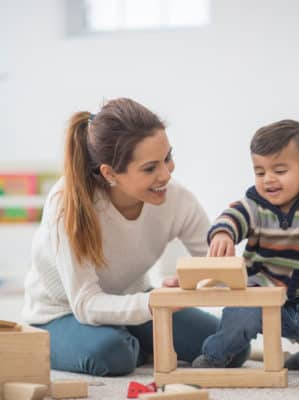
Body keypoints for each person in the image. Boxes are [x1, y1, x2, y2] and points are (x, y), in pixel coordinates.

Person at [22, 97, 226, 377]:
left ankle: (131, 338)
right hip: (62, 313)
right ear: (110, 173)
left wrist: (195, 282)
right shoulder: (67, 204)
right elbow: (85, 303)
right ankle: (122, 342)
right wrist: (152, 303)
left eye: (167, 158)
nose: (166, 174)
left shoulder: (176, 199)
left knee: (226, 347)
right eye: (150, 168)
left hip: (132, 301)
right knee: (114, 355)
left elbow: (216, 266)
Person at [192, 119, 299, 377]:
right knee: (240, 313)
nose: (268, 180)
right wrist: (223, 232)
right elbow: (231, 216)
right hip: (265, 299)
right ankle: (215, 355)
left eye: (280, 171)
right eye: (260, 172)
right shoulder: (255, 206)